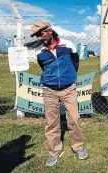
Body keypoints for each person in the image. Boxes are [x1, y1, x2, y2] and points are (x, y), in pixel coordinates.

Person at [30, 21, 88, 166]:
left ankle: (78, 146)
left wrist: (69, 78)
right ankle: (54, 151)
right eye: (36, 35)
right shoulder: (39, 51)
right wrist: (53, 79)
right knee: (51, 123)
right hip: (49, 90)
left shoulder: (68, 45)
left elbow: (75, 63)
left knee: (74, 119)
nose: (38, 38)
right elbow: (44, 67)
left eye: (40, 34)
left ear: (49, 31)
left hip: (69, 89)